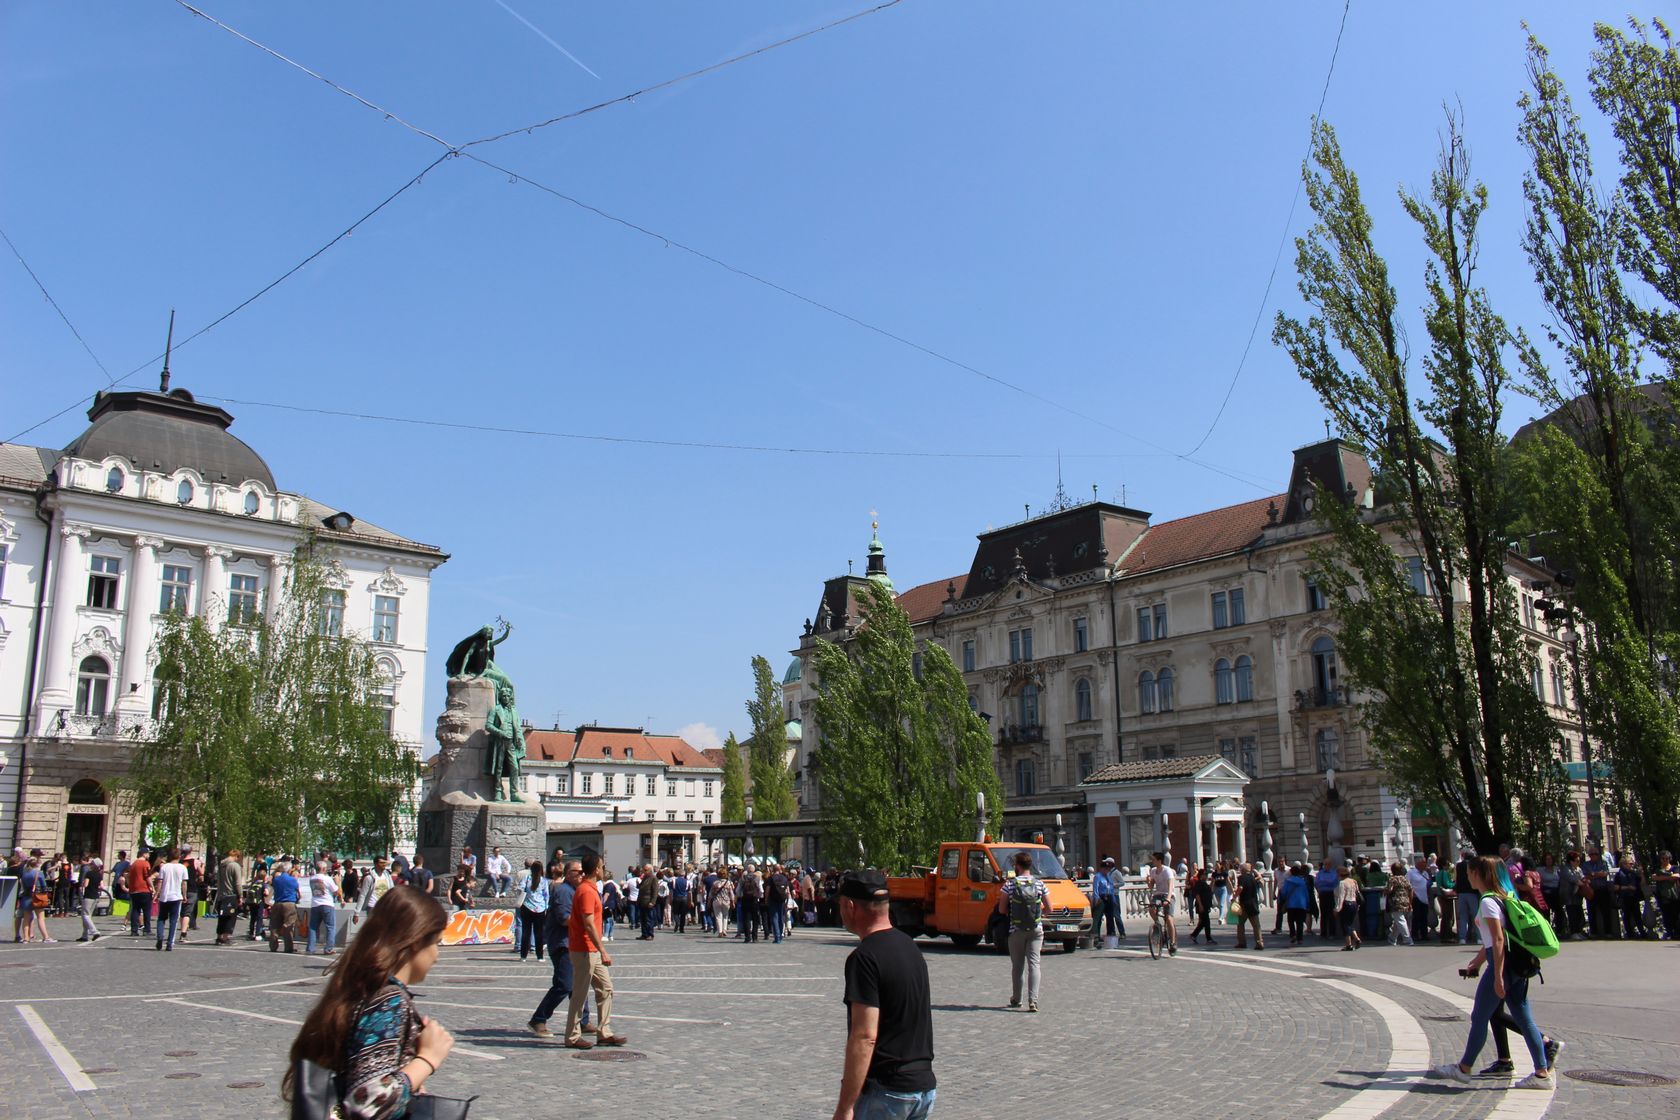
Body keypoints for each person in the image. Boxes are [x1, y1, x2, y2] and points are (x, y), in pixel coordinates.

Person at [285, 886, 455, 1120]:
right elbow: (366, 1104)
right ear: (416, 941)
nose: (436, 956)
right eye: (436, 942)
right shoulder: (388, 1001)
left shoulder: (359, 987)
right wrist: (428, 1059)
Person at [1431, 855, 1556, 1090]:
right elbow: (1496, 938)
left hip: (1503, 966)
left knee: (1479, 1016)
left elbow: (1498, 940)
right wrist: (1477, 962)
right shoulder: (1505, 896)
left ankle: (1464, 1068)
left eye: (1469, 872)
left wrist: (1497, 975)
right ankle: (1542, 1073)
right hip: (1516, 965)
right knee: (1524, 1018)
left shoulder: (1488, 901)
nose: (1466, 876)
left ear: (1478, 874)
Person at [833, 869, 936, 1120]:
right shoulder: (910, 947)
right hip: (922, 1084)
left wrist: (845, 1107)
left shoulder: (865, 958)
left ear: (849, 906)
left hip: (887, 1090)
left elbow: (864, 1036)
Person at [565, 854, 626, 1049]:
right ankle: (572, 1036)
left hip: (592, 950)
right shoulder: (586, 891)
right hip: (584, 948)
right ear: (596, 869)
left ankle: (604, 1032)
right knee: (580, 994)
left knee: (606, 988)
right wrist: (603, 950)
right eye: (602, 866)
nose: (603, 869)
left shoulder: (591, 889)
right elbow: (589, 924)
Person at [528, 861, 591, 1038]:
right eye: (578, 871)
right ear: (568, 873)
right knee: (564, 984)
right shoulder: (563, 891)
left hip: (573, 943)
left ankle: (583, 1021)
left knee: (578, 984)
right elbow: (565, 919)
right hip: (563, 944)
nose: (582, 874)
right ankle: (538, 1019)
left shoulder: (575, 890)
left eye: (583, 871)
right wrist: (588, 921)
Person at [997, 850, 1045, 1012]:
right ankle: (1033, 1001)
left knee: (1017, 966)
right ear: (1030, 865)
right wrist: (1038, 913)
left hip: (1016, 929)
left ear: (1017, 866)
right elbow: (1050, 908)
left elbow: (1001, 909)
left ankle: (1017, 999)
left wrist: (1012, 913)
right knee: (1034, 964)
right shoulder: (1039, 884)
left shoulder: (1010, 885)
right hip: (1036, 928)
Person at [1144, 851, 1178, 955]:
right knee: (1151, 908)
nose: (1152, 861)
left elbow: (1171, 886)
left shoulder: (1167, 871)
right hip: (1158, 895)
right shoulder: (1153, 871)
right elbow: (1151, 887)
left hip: (1168, 894)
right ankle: (1157, 924)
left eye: (1154, 859)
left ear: (1159, 860)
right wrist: (1148, 881)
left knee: (1168, 918)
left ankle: (1172, 943)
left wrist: (1168, 899)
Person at [307, 859, 344, 955]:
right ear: (323, 869)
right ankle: (328, 948)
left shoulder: (312, 878)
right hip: (327, 903)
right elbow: (336, 891)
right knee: (330, 927)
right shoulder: (327, 879)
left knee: (313, 927)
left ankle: (310, 948)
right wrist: (338, 882)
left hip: (315, 903)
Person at [517, 859, 549, 962]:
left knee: (526, 932)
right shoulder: (544, 881)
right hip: (540, 908)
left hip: (526, 907)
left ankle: (523, 956)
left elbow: (520, 889)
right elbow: (546, 895)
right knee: (539, 933)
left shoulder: (527, 878)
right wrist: (546, 907)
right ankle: (540, 956)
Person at [269, 859, 300, 953]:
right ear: (289, 870)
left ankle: (273, 946)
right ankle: (288, 947)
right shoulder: (293, 880)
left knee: (274, 925)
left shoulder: (276, 879)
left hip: (277, 903)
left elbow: (271, 883)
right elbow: (297, 890)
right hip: (289, 903)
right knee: (289, 925)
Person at [215, 850, 245, 945]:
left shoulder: (221, 865)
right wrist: (240, 896)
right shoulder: (235, 866)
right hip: (231, 895)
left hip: (221, 894)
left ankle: (219, 937)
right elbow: (238, 883)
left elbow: (218, 880)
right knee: (230, 918)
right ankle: (225, 938)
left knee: (221, 917)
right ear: (237, 856)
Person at [1279, 863, 1313, 946]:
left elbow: (1284, 892)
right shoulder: (1303, 882)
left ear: (1291, 872)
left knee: (1291, 921)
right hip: (1301, 904)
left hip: (1291, 904)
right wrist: (1307, 903)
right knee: (1300, 922)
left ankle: (1293, 935)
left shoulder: (1288, 881)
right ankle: (1300, 938)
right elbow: (1306, 894)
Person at [126, 849, 154, 937]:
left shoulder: (133, 864)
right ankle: (147, 930)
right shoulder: (145, 863)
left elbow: (127, 876)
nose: (149, 855)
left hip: (134, 890)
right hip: (144, 889)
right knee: (146, 910)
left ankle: (134, 930)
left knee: (135, 910)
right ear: (144, 854)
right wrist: (152, 887)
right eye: (148, 853)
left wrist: (130, 886)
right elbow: (147, 876)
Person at [1386, 861, 1416, 946]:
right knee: (1398, 921)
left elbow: (1389, 890)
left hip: (1395, 902)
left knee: (1400, 920)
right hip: (1405, 901)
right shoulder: (1404, 879)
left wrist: (1386, 891)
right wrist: (1410, 902)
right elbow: (1411, 890)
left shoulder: (1392, 879)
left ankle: (1408, 939)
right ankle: (1392, 938)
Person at [75, 856, 104, 942]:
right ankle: (84, 935)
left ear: (94, 865)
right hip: (95, 896)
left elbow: (86, 885)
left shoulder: (89, 873)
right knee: (88, 916)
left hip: (88, 896)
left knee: (85, 915)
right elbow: (101, 886)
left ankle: (95, 932)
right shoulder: (99, 875)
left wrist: (82, 884)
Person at [1651, 851, 1678, 940]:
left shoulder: (1675, 867)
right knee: (1666, 915)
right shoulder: (1657, 868)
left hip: (1675, 894)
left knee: (1676, 914)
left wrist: (1662, 877)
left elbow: (1677, 876)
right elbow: (1654, 877)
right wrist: (1669, 877)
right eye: (1663, 859)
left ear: (1670, 859)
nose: (1665, 860)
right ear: (1660, 859)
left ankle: (1677, 933)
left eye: (1667, 858)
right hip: (1662, 895)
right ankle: (1670, 933)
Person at [1188, 864, 1216, 944]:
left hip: (1206, 904)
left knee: (1204, 922)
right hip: (1201, 905)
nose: (1206, 876)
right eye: (1205, 874)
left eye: (1206, 874)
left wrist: (1213, 882)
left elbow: (1210, 891)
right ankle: (1208, 938)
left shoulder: (1204, 883)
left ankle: (1194, 935)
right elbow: (1197, 895)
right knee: (1206, 922)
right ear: (1201, 875)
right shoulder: (1199, 883)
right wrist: (1200, 905)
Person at [1337, 862, 1362, 950]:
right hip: (1354, 903)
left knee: (1345, 924)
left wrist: (1338, 908)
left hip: (1346, 904)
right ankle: (1357, 939)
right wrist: (1358, 904)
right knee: (1350, 923)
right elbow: (1357, 893)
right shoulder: (1353, 881)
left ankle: (1349, 944)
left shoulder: (1342, 883)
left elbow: (1341, 896)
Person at [711, 871, 736, 938]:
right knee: (725, 916)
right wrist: (733, 902)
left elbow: (711, 893)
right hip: (726, 901)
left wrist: (709, 901)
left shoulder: (715, 883)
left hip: (717, 900)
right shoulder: (729, 883)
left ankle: (720, 931)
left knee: (718, 916)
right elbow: (731, 893)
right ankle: (724, 930)